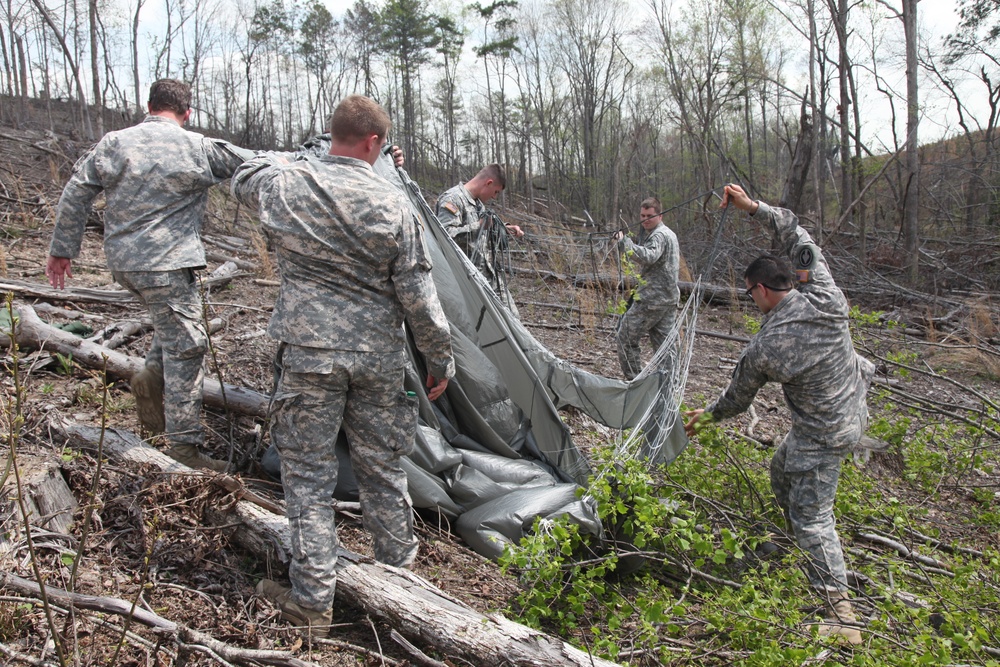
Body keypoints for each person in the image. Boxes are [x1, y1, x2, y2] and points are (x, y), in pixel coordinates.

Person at [231, 95, 455, 636]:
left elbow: (243, 175)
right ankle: (403, 586)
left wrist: (298, 158)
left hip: (308, 354)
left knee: (307, 477)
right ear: (376, 144)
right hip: (377, 358)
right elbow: (419, 296)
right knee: (383, 469)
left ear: (330, 134)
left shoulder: (288, 183)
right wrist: (439, 359)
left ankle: (312, 603)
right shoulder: (393, 201)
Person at [684, 184, 875, 645]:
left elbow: (735, 400)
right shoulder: (825, 295)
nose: (750, 300)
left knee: (815, 515)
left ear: (763, 290)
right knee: (779, 466)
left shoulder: (767, 347)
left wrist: (704, 418)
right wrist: (754, 208)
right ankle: (796, 543)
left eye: (749, 293)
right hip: (852, 409)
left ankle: (840, 612)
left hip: (824, 433)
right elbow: (795, 231)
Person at [46, 78, 253, 472]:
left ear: (149, 104)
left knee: (171, 326)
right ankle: (183, 451)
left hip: (125, 265)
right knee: (187, 347)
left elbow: (76, 191)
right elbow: (260, 162)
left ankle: (148, 377)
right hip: (167, 265)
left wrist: (62, 250)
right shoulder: (198, 146)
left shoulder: (113, 142)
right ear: (187, 112)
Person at [436, 164, 523, 315]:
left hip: (488, 275)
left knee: (512, 318)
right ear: (488, 183)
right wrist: (479, 225)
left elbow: (485, 230)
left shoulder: (477, 203)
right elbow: (444, 235)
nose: (494, 197)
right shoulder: (452, 199)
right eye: (495, 192)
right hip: (467, 281)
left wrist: (506, 229)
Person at [612, 197, 681, 380]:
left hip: (652, 301)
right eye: (642, 215)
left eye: (650, 215)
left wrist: (624, 242)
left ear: (660, 215)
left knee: (625, 338)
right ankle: (667, 385)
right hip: (667, 299)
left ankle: (635, 383)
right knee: (665, 348)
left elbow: (649, 256)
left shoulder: (660, 235)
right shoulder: (667, 233)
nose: (645, 219)